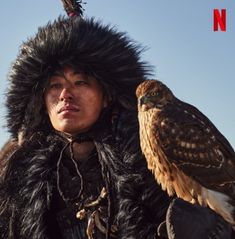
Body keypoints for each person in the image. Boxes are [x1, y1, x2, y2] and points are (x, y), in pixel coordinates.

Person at [0, 2, 234, 239]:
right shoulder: (15, 169)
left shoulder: (150, 155)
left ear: (106, 96)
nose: (65, 94)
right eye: (55, 85)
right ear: (40, 100)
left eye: (80, 82)